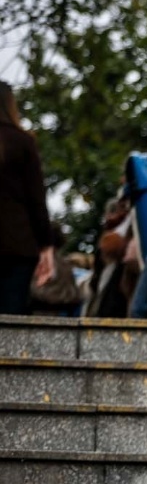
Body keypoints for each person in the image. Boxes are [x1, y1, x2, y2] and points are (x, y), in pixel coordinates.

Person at [0, 81, 54, 313]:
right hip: (16, 244)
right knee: (11, 320)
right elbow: (36, 199)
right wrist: (46, 245)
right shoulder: (22, 141)